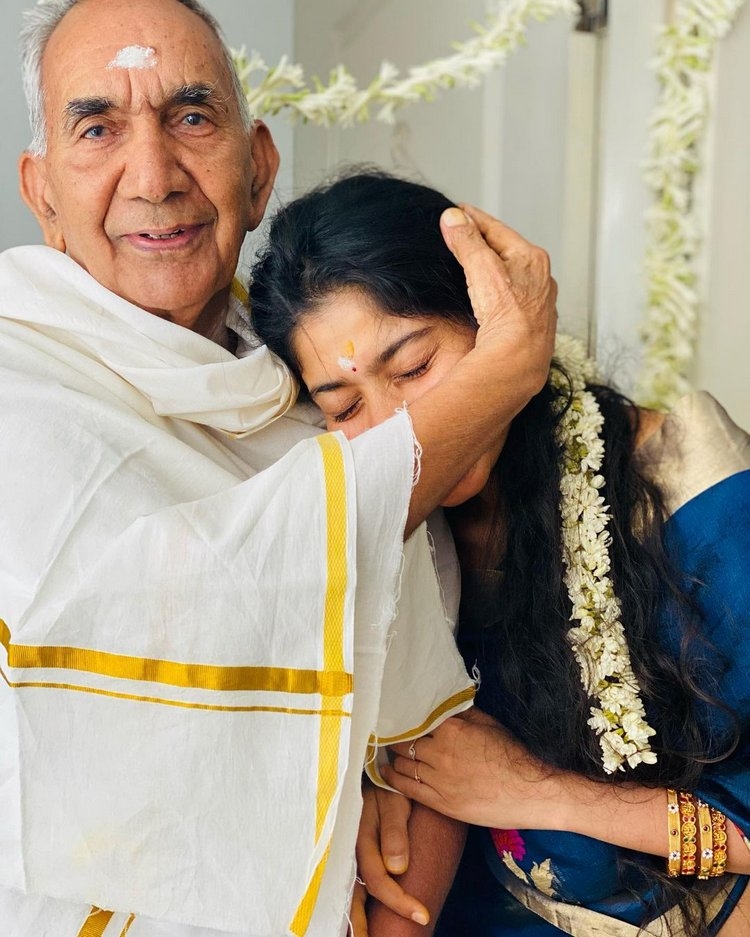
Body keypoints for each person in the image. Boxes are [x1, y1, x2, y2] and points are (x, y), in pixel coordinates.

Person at [0, 2, 557, 935]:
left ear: (258, 171)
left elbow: (421, 734)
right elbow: (161, 601)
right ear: (43, 193)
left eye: (191, 117)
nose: (154, 175)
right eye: (97, 128)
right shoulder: (18, 383)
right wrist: (501, 372)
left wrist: (358, 786)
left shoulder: (327, 392)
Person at [247, 170, 750, 936]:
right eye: (345, 407)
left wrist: (533, 791)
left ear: (499, 325)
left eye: (414, 367)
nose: (399, 430)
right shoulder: (374, 526)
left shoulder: (697, 495)